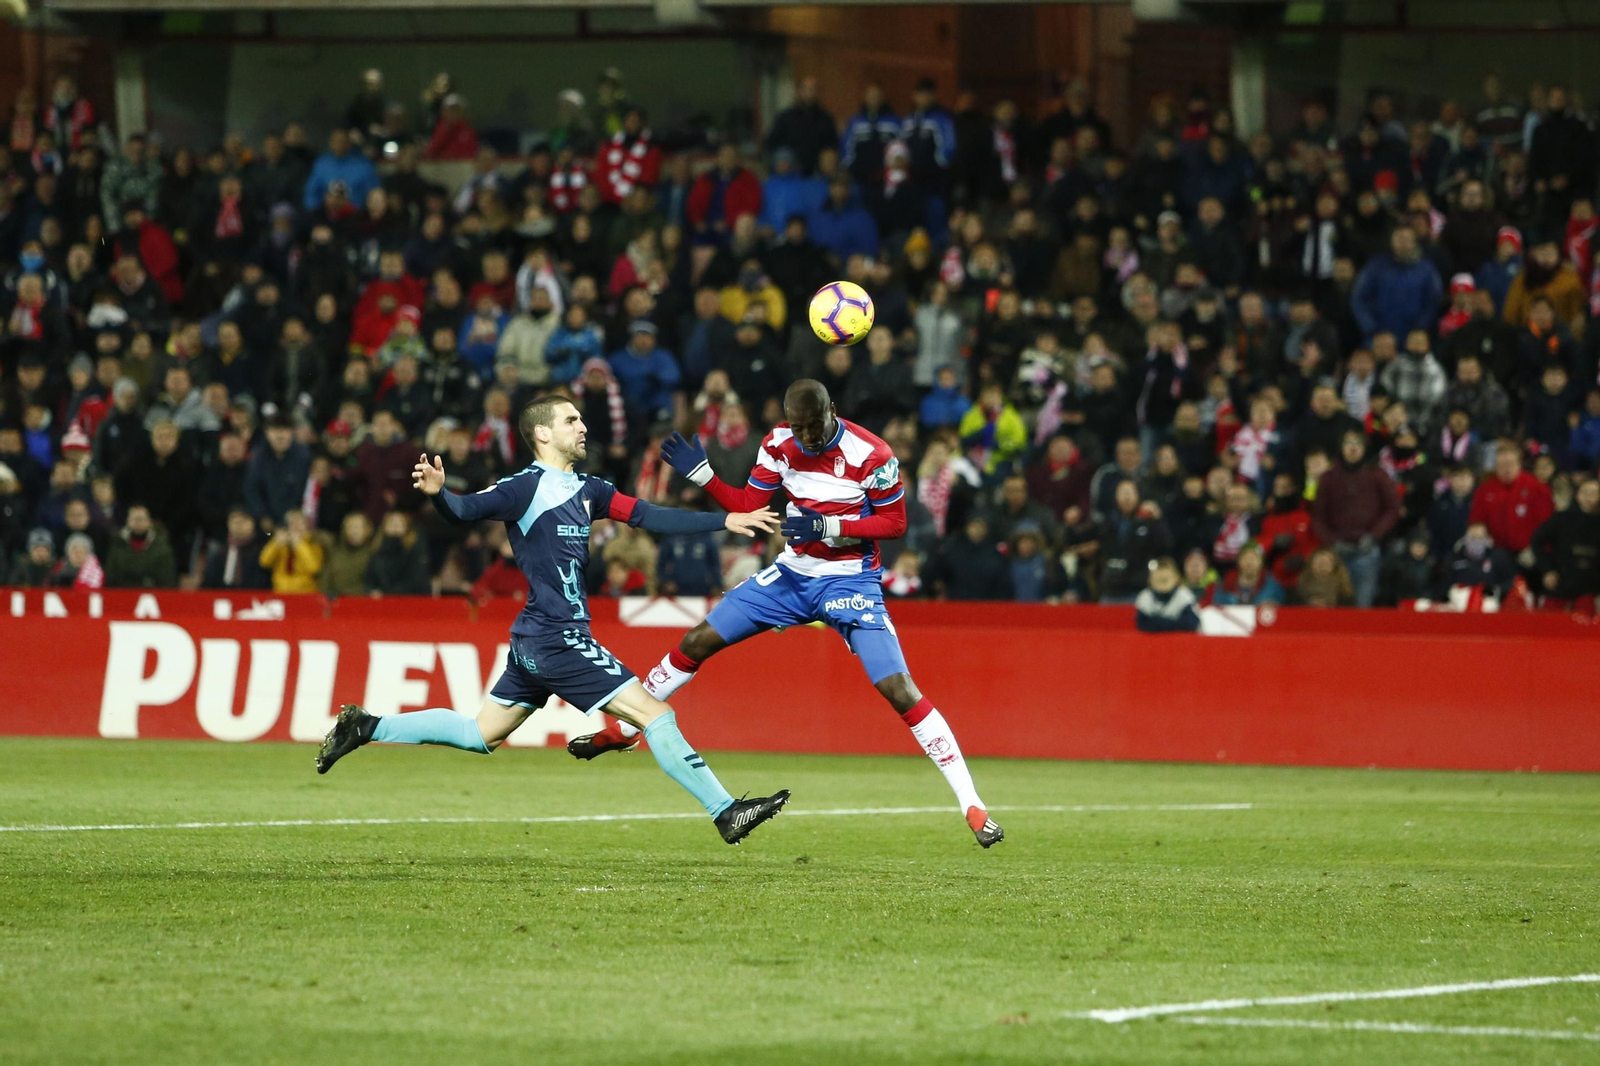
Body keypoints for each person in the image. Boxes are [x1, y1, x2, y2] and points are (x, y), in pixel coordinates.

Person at [315, 395, 791, 847]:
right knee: (656, 714)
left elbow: (647, 515)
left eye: (582, 420)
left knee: (482, 734)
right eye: (571, 421)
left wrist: (721, 522)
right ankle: (724, 810)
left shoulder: (591, 490)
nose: (583, 427)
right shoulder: (523, 488)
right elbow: (463, 510)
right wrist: (442, 495)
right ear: (542, 432)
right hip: (556, 636)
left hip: (536, 638)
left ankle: (367, 726)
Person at [568, 380, 1004, 848]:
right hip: (791, 576)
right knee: (696, 641)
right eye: (798, 427)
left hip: (849, 580)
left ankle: (971, 803)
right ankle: (629, 728)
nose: (806, 436)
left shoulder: (873, 454)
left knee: (898, 689)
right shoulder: (778, 442)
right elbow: (750, 508)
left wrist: (829, 524)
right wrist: (706, 478)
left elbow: (894, 523)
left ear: (832, 411)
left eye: (813, 426)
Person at [1310, 431, 1399, 608]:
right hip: (1336, 552)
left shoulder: (1377, 475)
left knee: (1362, 607)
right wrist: (1332, 542)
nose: (1353, 448)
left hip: (1366, 550)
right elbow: (1318, 517)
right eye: (1348, 443)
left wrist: (1374, 535)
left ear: (1364, 448)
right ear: (1341, 448)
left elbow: (1392, 509)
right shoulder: (1328, 478)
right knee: (1332, 608)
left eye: (1357, 443)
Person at [1469, 441, 1553, 554]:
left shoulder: (1537, 488)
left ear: (1519, 464)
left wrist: (1537, 549)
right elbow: (1477, 522)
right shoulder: (1484, 491)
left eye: (1510, 464)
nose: (1506, 469)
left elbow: (1547, 525)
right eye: (1502, 465)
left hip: (1529, 552)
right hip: (1496, 553)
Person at [258, 509, 323, 594]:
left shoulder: (314, 543)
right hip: (280, 591)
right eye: (292, 523)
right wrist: (275, 544)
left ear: (306, 526)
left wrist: (300, 545)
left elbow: (314, 568)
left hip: (305, 593)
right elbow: (264, 562)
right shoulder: (279, 544)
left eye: (300, 523)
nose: (296, 527)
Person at [1135, 556, 1200, 633]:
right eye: (1158, 579)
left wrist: (1157, 622)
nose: (1162, 574)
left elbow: (1191, 624)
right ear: (1150, 580)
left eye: (1165, 579)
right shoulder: (1145, 597)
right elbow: (1142, 624)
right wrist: (1173, 623)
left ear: (1176, 578)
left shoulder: (1184, 595)